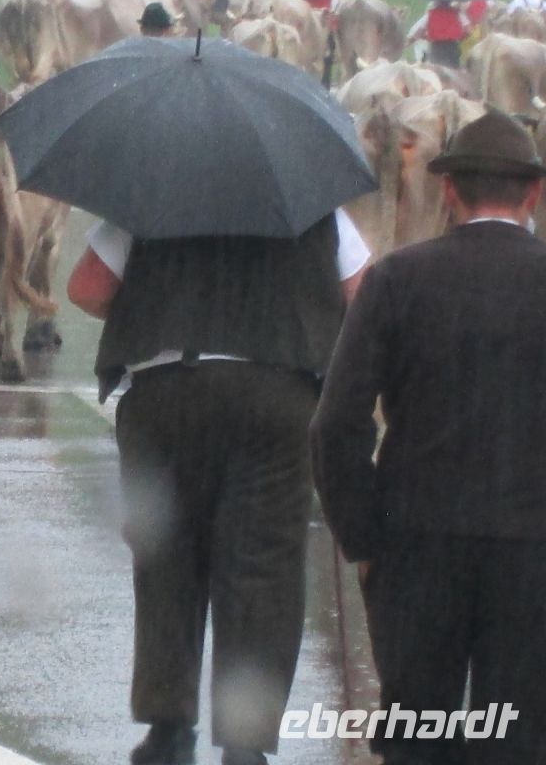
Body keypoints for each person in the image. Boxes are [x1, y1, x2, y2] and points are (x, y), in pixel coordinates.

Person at [68, 209, 369, 765]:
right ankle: (245, 742)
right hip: (276, 397)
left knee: (166, 559)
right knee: (264, 567)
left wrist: (158, 306)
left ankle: (167, 728)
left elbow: (87, 288)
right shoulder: (315, 204)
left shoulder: (151, 197)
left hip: (165, 397)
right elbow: (361, 293)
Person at [312, 111, 546, 764]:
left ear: (448, 190)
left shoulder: (396, 279)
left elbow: (336, 423)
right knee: (522, 738)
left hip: (416, 543)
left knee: (417, 735)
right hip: (535, 550)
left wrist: (362, 536)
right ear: (534, 193)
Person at [407, 0, 469, 69]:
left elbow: (418, 32)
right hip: (452, 47)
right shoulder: (457, 13)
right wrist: (460, 38)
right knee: (453, 72)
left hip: (436, 48)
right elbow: (467, 30)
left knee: (435, 71)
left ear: (437, 2)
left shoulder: (431, 14)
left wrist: (424, 37)